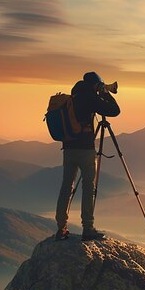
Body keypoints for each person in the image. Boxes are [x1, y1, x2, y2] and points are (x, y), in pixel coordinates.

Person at [55, 71, 120, 241]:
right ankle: (88, 228)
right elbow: (115, 110)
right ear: (95, 85)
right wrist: (106, 93)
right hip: (85, 149)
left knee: (66, 187)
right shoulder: (90, 98)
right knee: (88, 188)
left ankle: (61, 228)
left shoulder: (73, 97)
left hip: (68, 149)